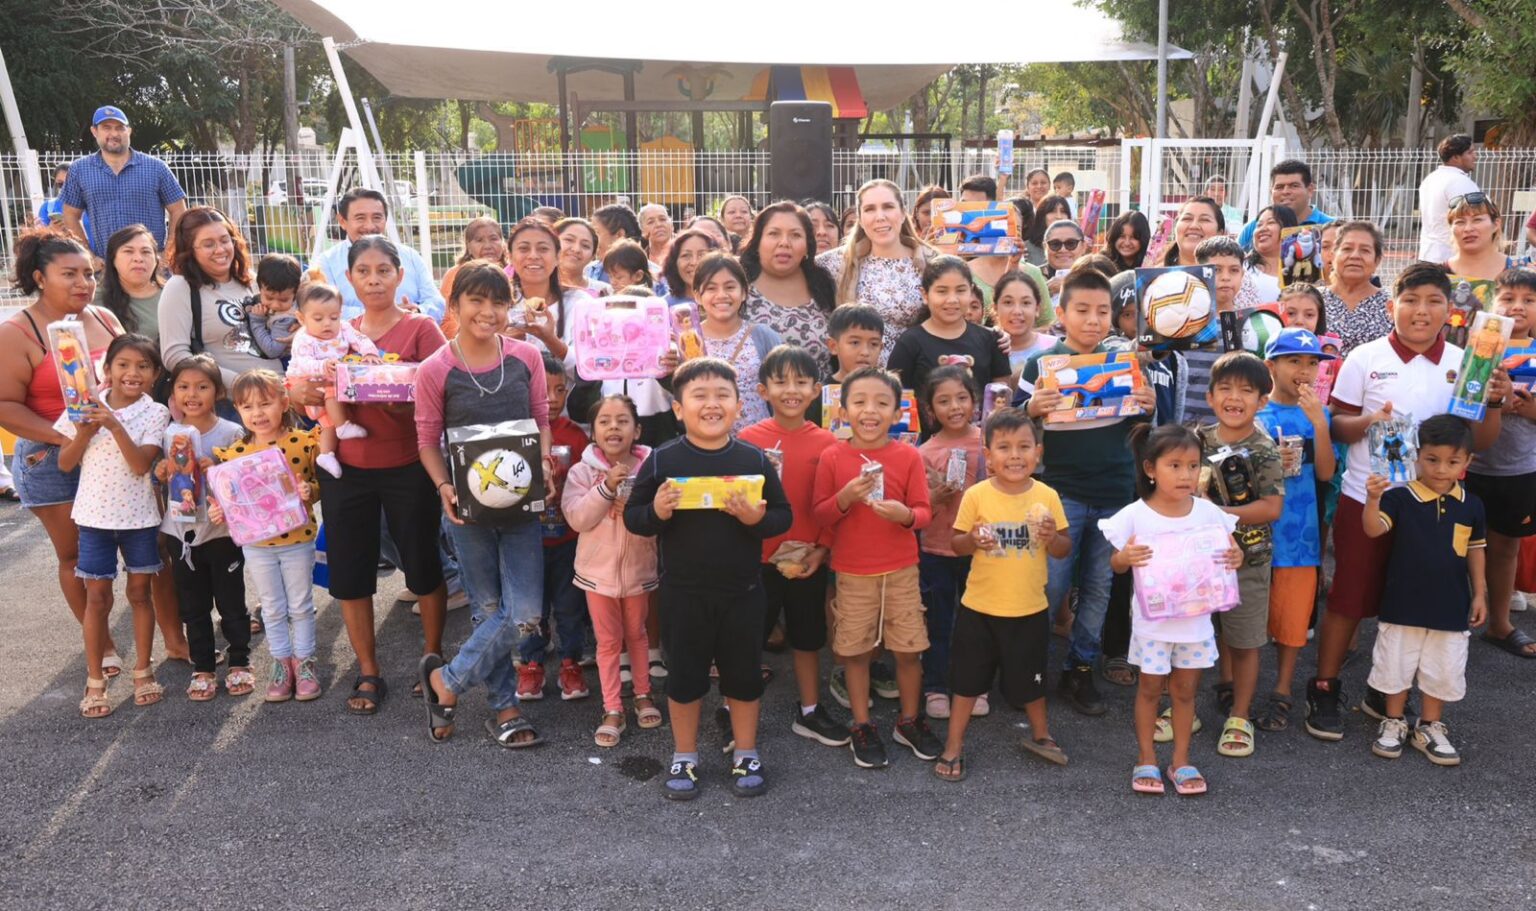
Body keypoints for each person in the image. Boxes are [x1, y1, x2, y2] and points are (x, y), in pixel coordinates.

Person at [1308, 262, 1506, 741]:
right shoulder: (1365, 357)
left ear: (1449, 309)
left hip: (1432, 509)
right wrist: (1370, 421)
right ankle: (1325, 685)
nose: (1421, 311)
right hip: (1369, 496)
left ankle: (1386, 693)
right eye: (1411, 300)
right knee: (1350, 596)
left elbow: (1480, 441)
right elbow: (1339, 425)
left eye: (1434, 301)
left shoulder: (1466, 363)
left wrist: (1495, 402)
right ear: (1391, 305)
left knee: (1412, 602)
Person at [625, 357, 793, 799]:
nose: (712, 403)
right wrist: (656, 511)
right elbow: (634, 518)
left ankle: (746, 752)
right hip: (682, 595)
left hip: (743, 593)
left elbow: (782, 515)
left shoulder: (753, 458)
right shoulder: (663, 459)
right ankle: (685, 755)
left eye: (722, 395)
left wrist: (756, 519)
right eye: (699, 396)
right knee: (684, 679)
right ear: (679, 409)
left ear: (739, 406)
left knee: (744, 677)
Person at [0, 230, 149, 676]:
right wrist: (66, 438)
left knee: (145, 550)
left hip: (115, 452)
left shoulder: (103, 317)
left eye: (89, 273)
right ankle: (102, 646)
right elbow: (5, 405)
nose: (84, 283)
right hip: (52, 460)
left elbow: (131, 374)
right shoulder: (17, 332)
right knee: (78, 558)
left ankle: (173, 640)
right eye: (70, 274)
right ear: (39, 277)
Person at [416, 260, 552, 746]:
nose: (488, 311)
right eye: (476, 300)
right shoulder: (435, 369)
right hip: (466, 508)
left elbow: (540, 419)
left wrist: (545, 464)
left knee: (525, 615)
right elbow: (427, 441)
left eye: (498, 302)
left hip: (522, 503)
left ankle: (446, 680)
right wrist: (443, 486)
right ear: (454, 305)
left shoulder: (526, 357)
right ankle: (505, 706)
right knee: (487, 606)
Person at [319, 236, 450, 716]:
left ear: (400, 275)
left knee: (422, 564)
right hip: (346, 469)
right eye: (363, 271)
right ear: (348, 277)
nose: (373, 280)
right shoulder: (337, 331)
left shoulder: (421, 328)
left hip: (408, 466)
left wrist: (400, 398)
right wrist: (307, 390)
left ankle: (433, 658)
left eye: (383, 271)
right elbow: (304, 385)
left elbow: (444, 392)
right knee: (350, 572)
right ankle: (368, 668)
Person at [1019, 267, 1156, 715]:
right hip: (1060, 493)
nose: (1093, 320)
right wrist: (1030, 408)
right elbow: (1012, 429)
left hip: (1115, 491)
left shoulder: (1123, 364)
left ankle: (1079, 668)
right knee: (1051, 584)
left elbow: (1140, 425)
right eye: (1082, 310)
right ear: (1061, 314)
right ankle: (1030, 669)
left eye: (1102, 311)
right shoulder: (1042, 365)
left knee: (1099, 586)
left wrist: (1148, 407)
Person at [1101, 423, 1244, 796]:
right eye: (1175, 466)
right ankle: (1146, 757)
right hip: (1153, 625)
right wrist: (1125, 557)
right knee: (1149, 688)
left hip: (1195, 624)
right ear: (1151, 469)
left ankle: (1181, 760)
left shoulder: (1208, 513)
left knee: (1184, 691)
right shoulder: (1135, 515)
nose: (1185, 475)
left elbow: (1232, 554)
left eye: (1193, 466)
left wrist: (1236, 557)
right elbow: (1116, 565)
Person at [812, 367, 940, 768]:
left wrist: (906, 516)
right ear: (842, 411)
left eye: (882, 403)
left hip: (902, 569)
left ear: (898, 412)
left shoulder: (908, 455)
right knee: (856, 653)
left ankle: (909, 719)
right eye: (860, 402)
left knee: (909, 650)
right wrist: (846, 497)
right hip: (852, 572)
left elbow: (924, 512)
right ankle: (862, 725)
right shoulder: (833, 456)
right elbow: (821, 514)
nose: (870, 411)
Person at [938, 407, 1072, 780]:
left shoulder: (1047, 495)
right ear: (988, 455)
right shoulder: (977, 495)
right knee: (966, 683)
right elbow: (956, 545)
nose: (1015, 455)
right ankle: (953, 745)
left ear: (1038, 452)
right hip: (979, 609)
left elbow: (1064, 549)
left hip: (1029, 610)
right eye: (1004, 447)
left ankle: (1042, 735)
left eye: (1024, 446)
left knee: (1032, 681)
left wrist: (1052, 537)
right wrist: (973, 539)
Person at [56, 334, 170, 718]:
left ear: (155, 374)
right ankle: (95, 680)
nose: (132, 373)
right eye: (123, 364)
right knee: (97, 598)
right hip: (93, 518)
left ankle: (143, 671)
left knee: (140, 594)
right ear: (107, 369)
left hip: (139, 518)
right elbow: (65, 463)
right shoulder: (83, 407)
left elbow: (140, 466)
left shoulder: (155, 412)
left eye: (143, 366)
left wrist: (114, 425)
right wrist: (85, 431)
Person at [1362, 414, 1486, 766]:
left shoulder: (1473, 505)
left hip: (1451, 605)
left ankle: (1430, 725)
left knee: (1442, 668)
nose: (1441, 469)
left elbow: (1476, 550)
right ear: (1416, 455)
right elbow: (1373, 530)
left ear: (1467, 462)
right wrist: (1372, 499)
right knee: (1395, 664)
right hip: (1403, 602)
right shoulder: (1400, 498)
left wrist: (1480, 593)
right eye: (1432, 459)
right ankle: (1394, 720)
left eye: (1452, 461)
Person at [738, 346, 846, 745]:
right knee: (748, 638)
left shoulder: (828, 443)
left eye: (801, 382)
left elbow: (834, 505)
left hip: (807, 558)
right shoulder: (747, 441)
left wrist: (823, 548)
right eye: (780, 381)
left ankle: (810, 710)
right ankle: (734, 708)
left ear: (816, 390)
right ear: (762, 390)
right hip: (758, 559)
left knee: (808, 638)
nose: (791, 390)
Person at [209, 369, 322, 702]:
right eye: (247, 407)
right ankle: (281, 664)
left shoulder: (302, 442)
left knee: (301, 605)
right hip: (257, 545)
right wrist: (220, 512)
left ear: (284, 403)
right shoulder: (234, 454)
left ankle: (305, 663)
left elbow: (319, 485)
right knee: (271, 608)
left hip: (298, 539)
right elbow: (232, 503)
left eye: (265, 403)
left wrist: (309, 490)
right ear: (237, 410)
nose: (257, 413)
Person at [1196, 352, 1285, 759]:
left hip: (1249, 561)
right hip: (1197, 562)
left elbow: (1271, 508)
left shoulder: (1264, 449)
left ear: (1262, 401)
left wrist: (1216, 513)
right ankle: (1180, 706)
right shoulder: (1198, 440)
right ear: (1210, 397)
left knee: (1245, 641)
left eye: (1246, 391)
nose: (1235, 398)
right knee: (1191, 635)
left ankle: (1240, 715)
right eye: (1225, 389)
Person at [562, 394, 662, 746]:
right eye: (604, 421)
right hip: (597, 575)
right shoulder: (582, 472)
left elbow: (661, 518)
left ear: (638, 430)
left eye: (622, 420)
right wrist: (606, 489)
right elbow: (577, 518)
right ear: (593, 432)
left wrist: (635, 506)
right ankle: (612, 707)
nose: (613, 427)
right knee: (608, 641)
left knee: (637, 634)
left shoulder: (651, 470)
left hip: (638, 569)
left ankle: (643, 694)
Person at [1254, 328, 1337, 732]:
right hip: (1255, 530)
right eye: (1293, 361)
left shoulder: (1321, 414)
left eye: (1311, 363)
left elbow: (1325, 473)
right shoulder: (1254, 411)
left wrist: (1319, 424)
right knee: (1245, 612)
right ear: (1270, 366)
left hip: (1300, 534)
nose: (1304, 370)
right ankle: (1232, 683)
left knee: (1292, 618)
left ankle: (1282, 689)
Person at [155, 356, 248, 701]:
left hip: (222, 534)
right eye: (183, 387)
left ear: (218, 392)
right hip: (182, 535)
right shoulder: (169, 435)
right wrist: (161, 472)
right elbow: (164, 482)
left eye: (202, 387)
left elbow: (242, 485)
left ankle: (239, 661)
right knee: (193, 606)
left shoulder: (231, 432)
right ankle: (204, 667)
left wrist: (218, 469)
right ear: (173, 393)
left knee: (231, 602)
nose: (191, 394)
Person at [1467, 270, 1536, 659]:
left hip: (1519, 468)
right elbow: (1462, 398)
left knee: (1506, 546)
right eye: (1508, 298)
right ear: (1493, 304)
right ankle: (1450, 616)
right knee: (1457, 545)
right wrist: (1498, 402)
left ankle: (1499, 623)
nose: (1518, 307)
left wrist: (1526, 408)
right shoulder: (1479, 347)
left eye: (1529, 300)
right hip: (1468, 466)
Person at [515, 355, 592, 702]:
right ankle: (531, 665)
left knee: (569, 607)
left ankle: (570, 663)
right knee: (530, 609)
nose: (553, 398)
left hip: (568, 540)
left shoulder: (577, 436)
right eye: (543, 389)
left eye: (560, 389)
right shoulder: (517, 434)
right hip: (526, 542)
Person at [914, 366, 984, 720]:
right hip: (936, 549)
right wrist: (933, 497)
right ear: (930, 410)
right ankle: (936, 686)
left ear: (975, 401)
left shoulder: (987, 442)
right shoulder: (924, 452)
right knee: (939, 621)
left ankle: (975, 686)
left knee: (977, 623)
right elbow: (915, 505)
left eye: (961, 398)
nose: (954, 407)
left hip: (980, 549)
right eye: (943, 401)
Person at [159, 206, 283, 393]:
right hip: (234, 400)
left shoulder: (251, 280)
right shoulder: (180, 287)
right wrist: (242, 386)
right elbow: (175, 356)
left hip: (281, 390)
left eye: (225, 240)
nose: (220, 250)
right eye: (208, 244)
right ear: (190, 250)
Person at [887, 255, 1012, 437]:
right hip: (927, 446)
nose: (952, 299)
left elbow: (1001, 398)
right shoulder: (909, 343)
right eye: (942, 291)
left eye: (960, 290)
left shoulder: (992, 339)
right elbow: (898, 402)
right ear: (925, 295)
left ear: (971, 291)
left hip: (980, 444)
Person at [818, 179, 932, 362]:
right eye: (870, 209)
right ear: (861, 219)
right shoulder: (836, 262)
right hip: (858, 373)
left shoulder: (930, 261)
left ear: (903, 213)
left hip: (915, 370)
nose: (880, 217)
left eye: (888, 207)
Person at [59, 106, 187, 258]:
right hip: (106, 264)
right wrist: (89, 257)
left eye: (120, 128)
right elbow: (70, 215)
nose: (114, 134)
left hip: (150, 263)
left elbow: (178, 210)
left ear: (129, 131)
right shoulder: (79, 170)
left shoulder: (156, 168)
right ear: (94, 131)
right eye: (106, 127)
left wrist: (168, 254)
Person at [286, 283, 379, 478]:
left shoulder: (344, 328)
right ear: (301, 318)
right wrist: (322, 366)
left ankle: (326, 455)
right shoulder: (303, 338)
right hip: (304, 378)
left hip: (328, 376)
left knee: (327, 422)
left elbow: (360, 339)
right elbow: (302, 363)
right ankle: (343, 426)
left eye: (334, 317)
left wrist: (369, 352)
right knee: (332, 390)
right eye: (318, 319)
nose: (327, 324)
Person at [310, 188, 445, 323]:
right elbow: (322, 309)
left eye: (377, 218)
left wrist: (416, 312)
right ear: (342, 221)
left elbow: (436, 302)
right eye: (360, 218)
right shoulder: (327, 263)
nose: (370, 226)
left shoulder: (410, 256)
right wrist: (389, 314)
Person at [740, 202, 837, 374]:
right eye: (774, 234)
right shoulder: (738, 283)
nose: (784, 243)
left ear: (807, 244)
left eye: (795, 235)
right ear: (757, 241)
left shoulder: (824, 283)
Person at [690, 253, 783, 432]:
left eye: (730, 287)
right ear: (697, 296)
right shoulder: (689, 341)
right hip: (706, 441)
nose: (721, 295)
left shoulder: (764, 337)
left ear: (744, 292)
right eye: (711, 288)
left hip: (759, 441)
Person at [1183, 236, 1248, 425]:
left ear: (1242, 274)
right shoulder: (1182, 322)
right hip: (1183, 427)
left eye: (1234, 270)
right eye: (1216, 270)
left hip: (1231, 427)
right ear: (1198, 272)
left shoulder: (1249, 324)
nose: (1226, 277)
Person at [1321, 221, 1394, 358]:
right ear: (1333, 255)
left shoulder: (1392, 304)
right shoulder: (1315, 299)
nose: (1355, 256)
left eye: (1365, 250)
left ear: (1377, 260)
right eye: (1347, 249)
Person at [1237, 160, 1335, 249]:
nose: (1285, 192)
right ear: (1271, 192)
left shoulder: (1331, 226)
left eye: (1294, 186)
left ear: (1310, 190)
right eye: (1279, 187)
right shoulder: (1254, 229)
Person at [1418, 134, 1481, 263]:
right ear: (1455, 157)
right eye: (1470, 152)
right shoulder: (1459, 182)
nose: (1475, 156)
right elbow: (1471, 218)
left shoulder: (1431, 178)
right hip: (1452, 258)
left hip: (1428, 254)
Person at [95, 225, 161, 339]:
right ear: (113, 259)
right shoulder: (95, 300)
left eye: (146, 252)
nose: (138, 259)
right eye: (128, 251)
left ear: (156, 260)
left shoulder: (172, 294)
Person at [994, 270, 1056, 381]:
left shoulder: (1054, 348)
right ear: (995, 308)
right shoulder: (984, 350)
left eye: (1026, 303)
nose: (1017, 311)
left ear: (1037, 309)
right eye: (1008, 302)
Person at [437, 216, 510, 308]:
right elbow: (447, 314)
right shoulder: (455, 275)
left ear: (502, 243)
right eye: (479, 240)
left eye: (493, 239)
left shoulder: (512, 272)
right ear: (469, 247)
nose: (488, 246)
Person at [1445, 193, 1514, 281]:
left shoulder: (1523, 272)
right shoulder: (1437, 275)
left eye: (1477, 220)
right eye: (1460, 222)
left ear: (1496, 224)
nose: (1468, 229)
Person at [247, 253, 303, 360]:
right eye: (269, 298)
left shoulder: (286, 319)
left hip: (289, 362)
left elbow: (272, 350)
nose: (275, 305)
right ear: (259, 288)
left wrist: (257, 322)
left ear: (295, 293)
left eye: (284, 300)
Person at [1245, 205, 1298, 305]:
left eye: (1271, 222)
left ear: (1288, 230)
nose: (1262, 229)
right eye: (1259, 225)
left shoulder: (1302, 273)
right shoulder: (1241, 269)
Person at [660, 228, 721, 307]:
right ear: (674, 262)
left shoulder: (725, 301)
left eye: (702, 255)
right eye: (686, 255)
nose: (694, 262)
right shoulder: (663, 306)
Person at [37, 164, 91, 239]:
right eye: (60, 184)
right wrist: (51, 229)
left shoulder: (92, 204)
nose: (65, 188)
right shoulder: (48, 207)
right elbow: (39, 238)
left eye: (70, 183)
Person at [1041, 219, 1087, 303]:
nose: (1063, 250)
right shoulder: (1032, 275)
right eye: (1055, 244)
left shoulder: (1097, 275)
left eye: (1071, 243)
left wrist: (1069, 286)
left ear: (1083, 246)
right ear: (1045, 247)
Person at [1026, 195, 1073, 268]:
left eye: (1063, 211)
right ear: (1042, 215)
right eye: (1053, 211)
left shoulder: (1076, 245)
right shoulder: (1027, 248)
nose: (1059, 216)